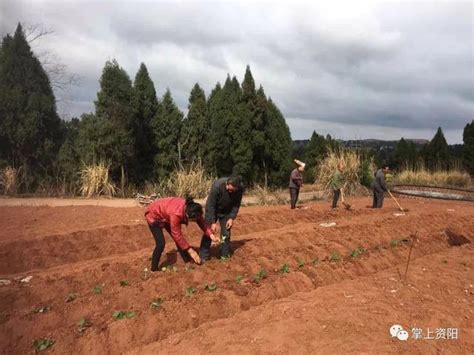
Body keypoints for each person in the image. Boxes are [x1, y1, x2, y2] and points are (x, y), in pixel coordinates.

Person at [145, 196, 218, 272]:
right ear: (187, 216)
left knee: (179, 240)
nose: (194, 221)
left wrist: (211, 235)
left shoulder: (193, 209)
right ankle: (154, 269)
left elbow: (202, 222)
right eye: (193, 220)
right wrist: (191, 251)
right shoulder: (176, 214)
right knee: (161, 243)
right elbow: (177, 235)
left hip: (166, 214)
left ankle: (187, 261)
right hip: (154, 215)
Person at [199, 176, 244, 260]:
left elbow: (236, 205)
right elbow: (210, 205)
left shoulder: (240, 189)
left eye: (231, 190)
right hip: (214, 210)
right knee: (209, 232)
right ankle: (203, 255)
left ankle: (224, 254)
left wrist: (231, 218)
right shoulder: (217, 185)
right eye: (227, 187)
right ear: (226, 183)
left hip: (226, 212)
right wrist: (212, 221)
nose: (228, 189)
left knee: (226, 233)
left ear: (237, 188)